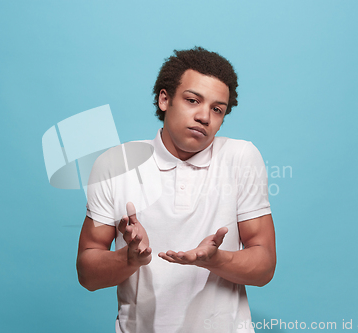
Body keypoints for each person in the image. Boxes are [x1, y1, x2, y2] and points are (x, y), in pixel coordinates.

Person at [76, 47, 276, 333]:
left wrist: (216, 260)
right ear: (164, 99)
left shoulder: (241, 157)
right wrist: (129, 258)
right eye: (193, 100)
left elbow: (265, 266)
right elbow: (87, 274)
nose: (204, 116)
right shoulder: (115, 164)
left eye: (217, 109)